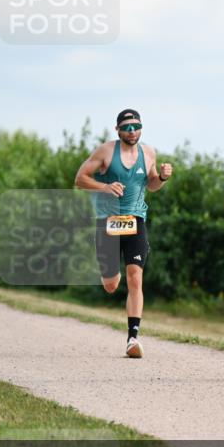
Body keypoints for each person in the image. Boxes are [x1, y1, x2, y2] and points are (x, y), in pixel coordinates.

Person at [74, 109, 173, 358]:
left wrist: (162, 177)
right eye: (127, 127)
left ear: (141, 128)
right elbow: (80, 179)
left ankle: (133, 338)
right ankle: (109, 272)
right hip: (107, 222)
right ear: (117, 129)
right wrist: (104, 187)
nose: (132, 131)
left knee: (135, 277)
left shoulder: (148, 153)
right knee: (111, 285)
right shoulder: (106, 151)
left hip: (135, 220)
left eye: (136, 126)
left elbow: (152, 185)